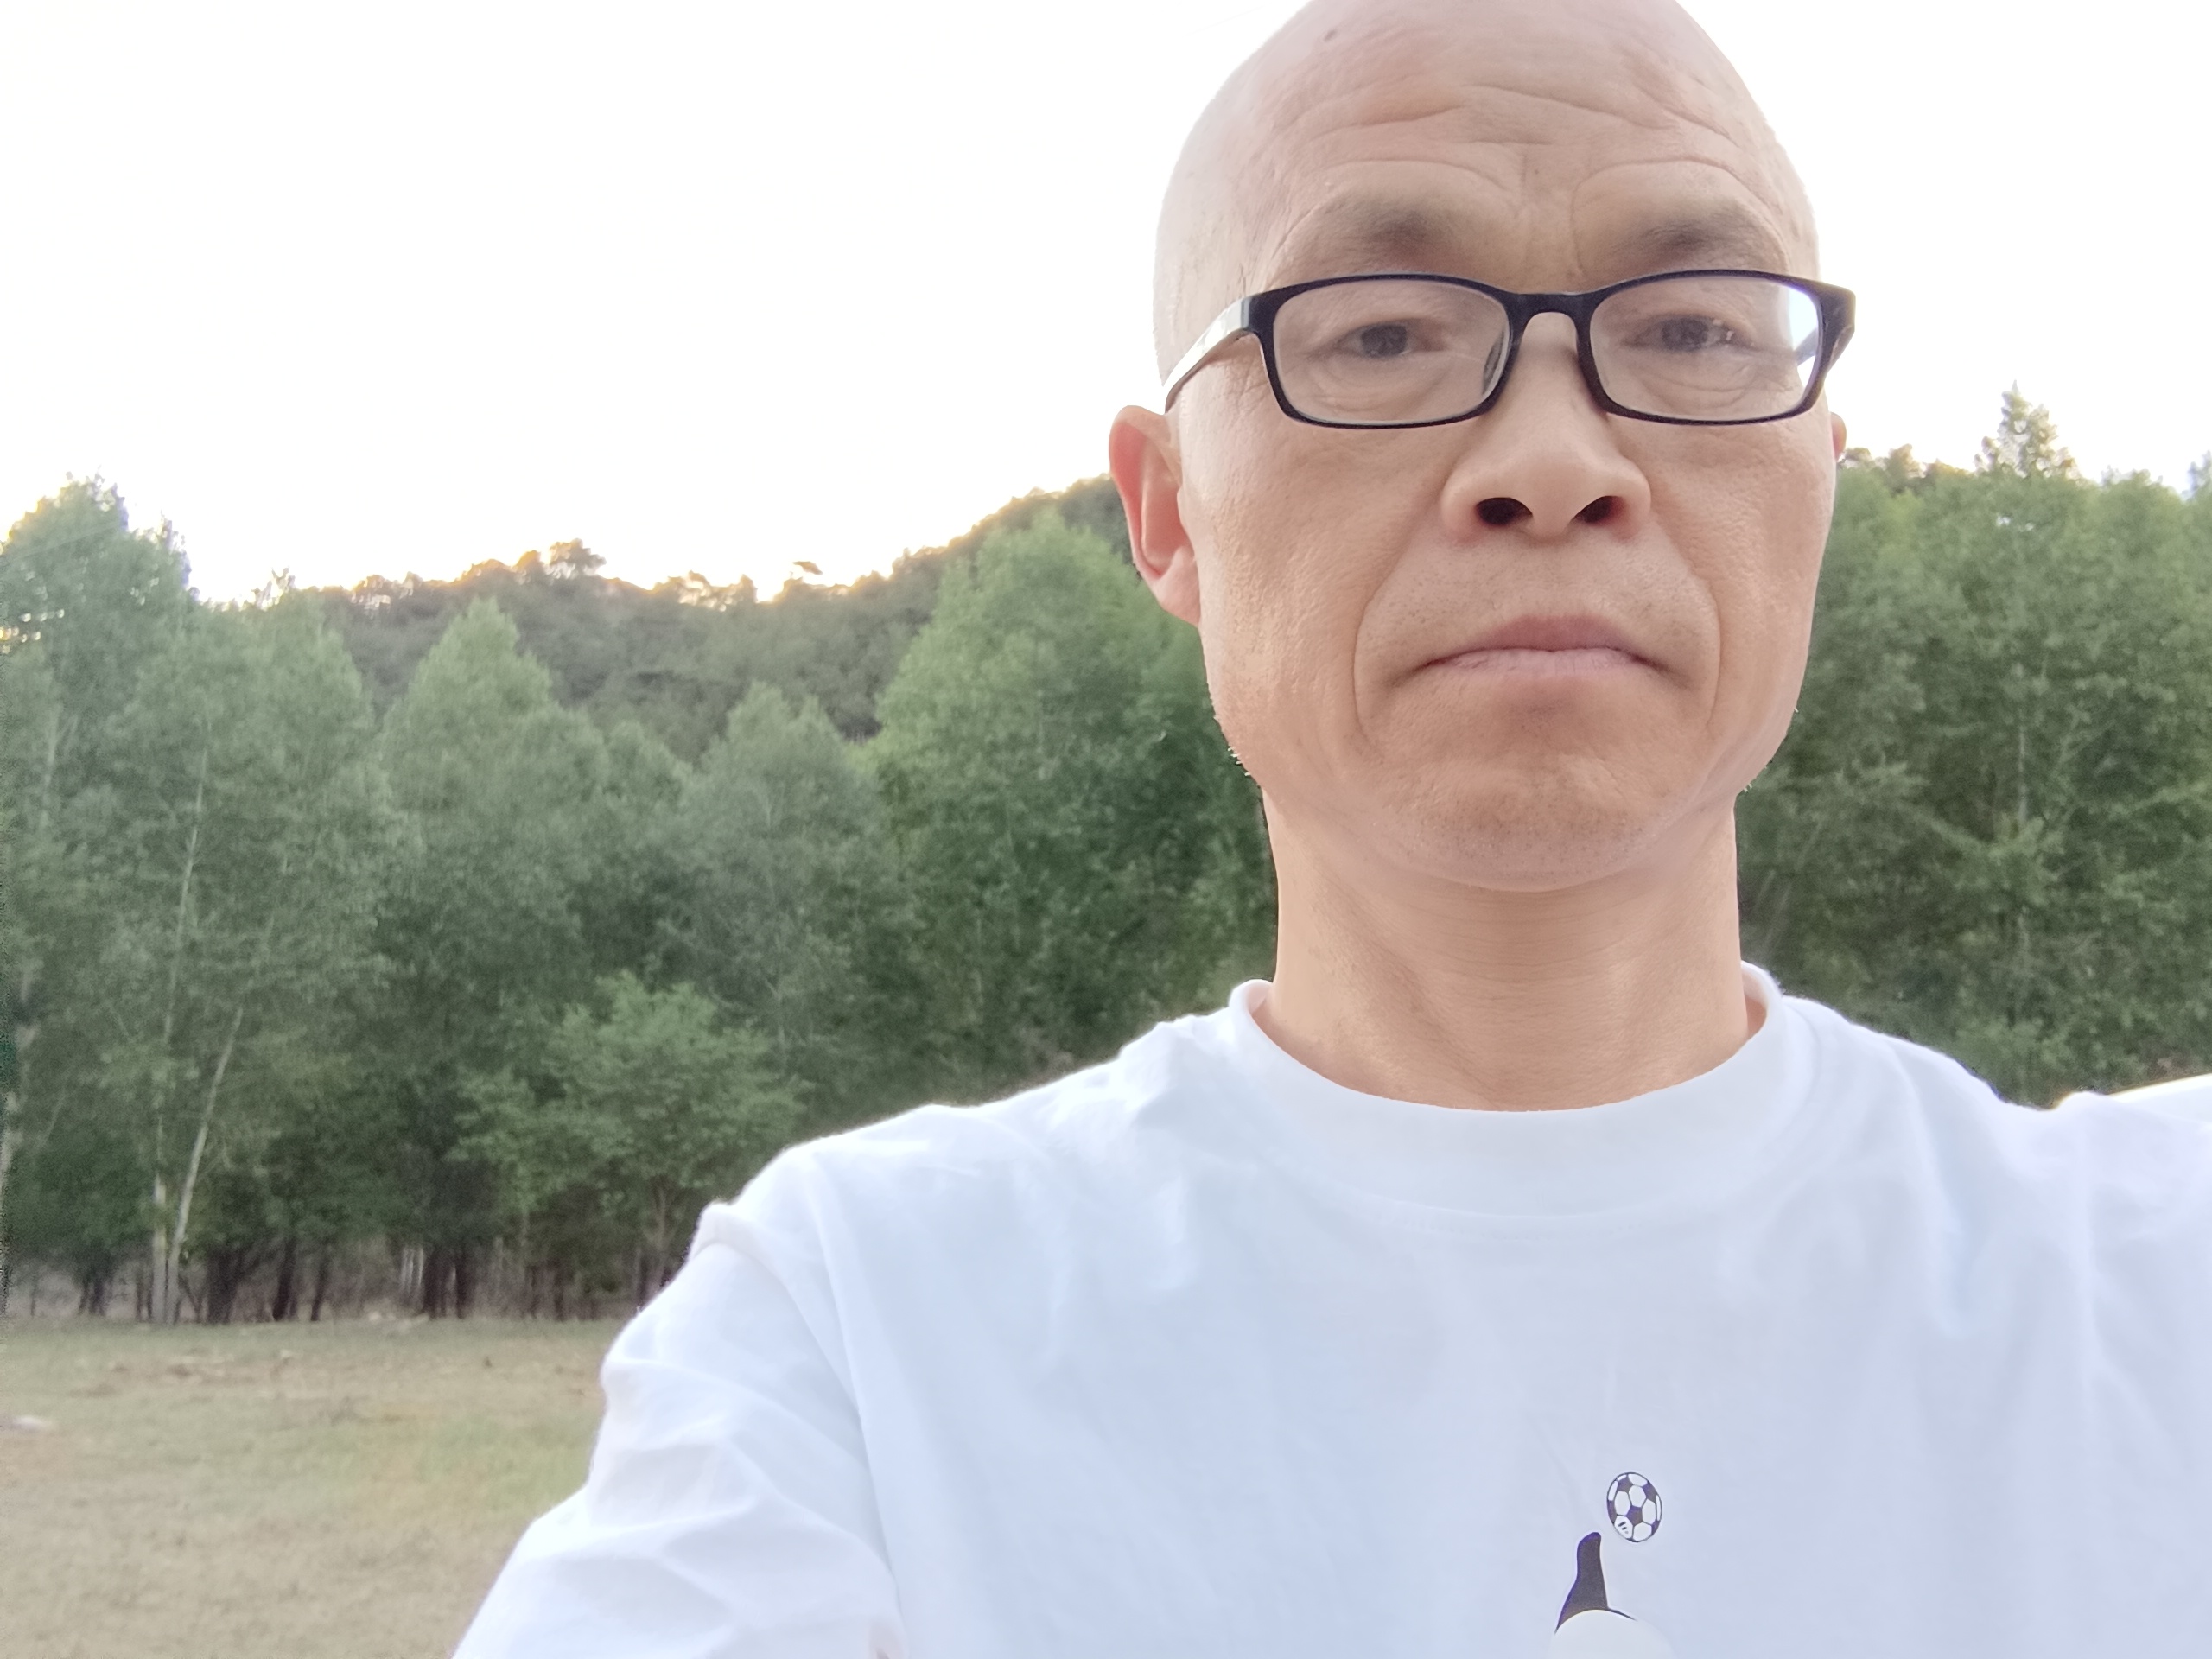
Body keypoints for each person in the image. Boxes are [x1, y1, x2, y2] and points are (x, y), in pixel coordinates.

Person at [457, 1, 2212, 1653]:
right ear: (1167, 515)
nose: (1553, 459)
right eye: (1379, 333)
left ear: (1818, 465)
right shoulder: (866, 1336)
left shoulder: (2155, 1275)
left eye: (1689, 330)